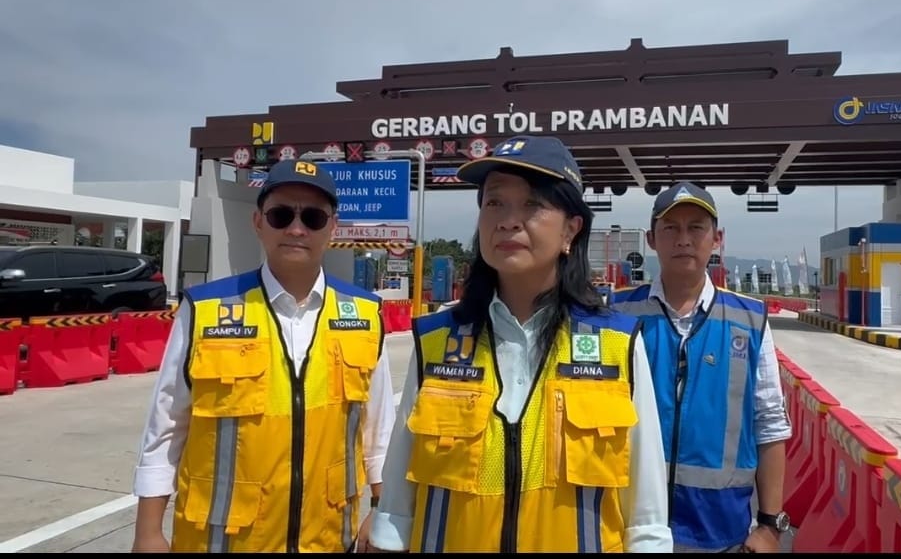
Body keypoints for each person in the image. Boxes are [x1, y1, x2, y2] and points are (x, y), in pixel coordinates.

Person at [366, 135, 673, 553]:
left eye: (532, 204)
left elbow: (646, 516)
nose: (509, 220)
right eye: (495, 203)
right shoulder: (435, 341)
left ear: (571, 228)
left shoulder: (618, 345)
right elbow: (397, 511)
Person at [131, 159, 395, 553]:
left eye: (313, 217)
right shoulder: (206, 309)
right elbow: (166, 424)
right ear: (258, 222)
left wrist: (382, 510)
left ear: (333, 229)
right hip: (221, 542)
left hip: (325, 541)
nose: (296, 228)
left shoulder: (364, 315)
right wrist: (148, 532)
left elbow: (379, 431)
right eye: (281, 214)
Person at [610, 182, 792, 553]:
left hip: (721, 532)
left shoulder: (750, 320)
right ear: (651, 239)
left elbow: (770, 422)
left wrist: (771, 525)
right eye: (670, 228)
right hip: (628, 526)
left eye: (696, 227)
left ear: (717, 238)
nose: (683, 239)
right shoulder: (617, 315)